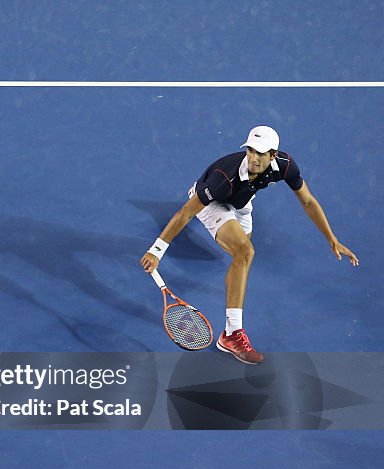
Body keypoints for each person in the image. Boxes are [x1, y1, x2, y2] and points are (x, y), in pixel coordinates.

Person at [140, 125, 359, 364]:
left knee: (241, 257)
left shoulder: (285, 165)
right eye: (251, 151)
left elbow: (307, 200)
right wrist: (156, 250)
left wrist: (332, 238)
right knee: (245, 252)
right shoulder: (224, 178)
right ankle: (232, 335)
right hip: (214, 201)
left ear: (273, 155)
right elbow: (185, 213)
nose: (254, 158)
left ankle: (230, 329)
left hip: (242, 204)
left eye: (261, 153)